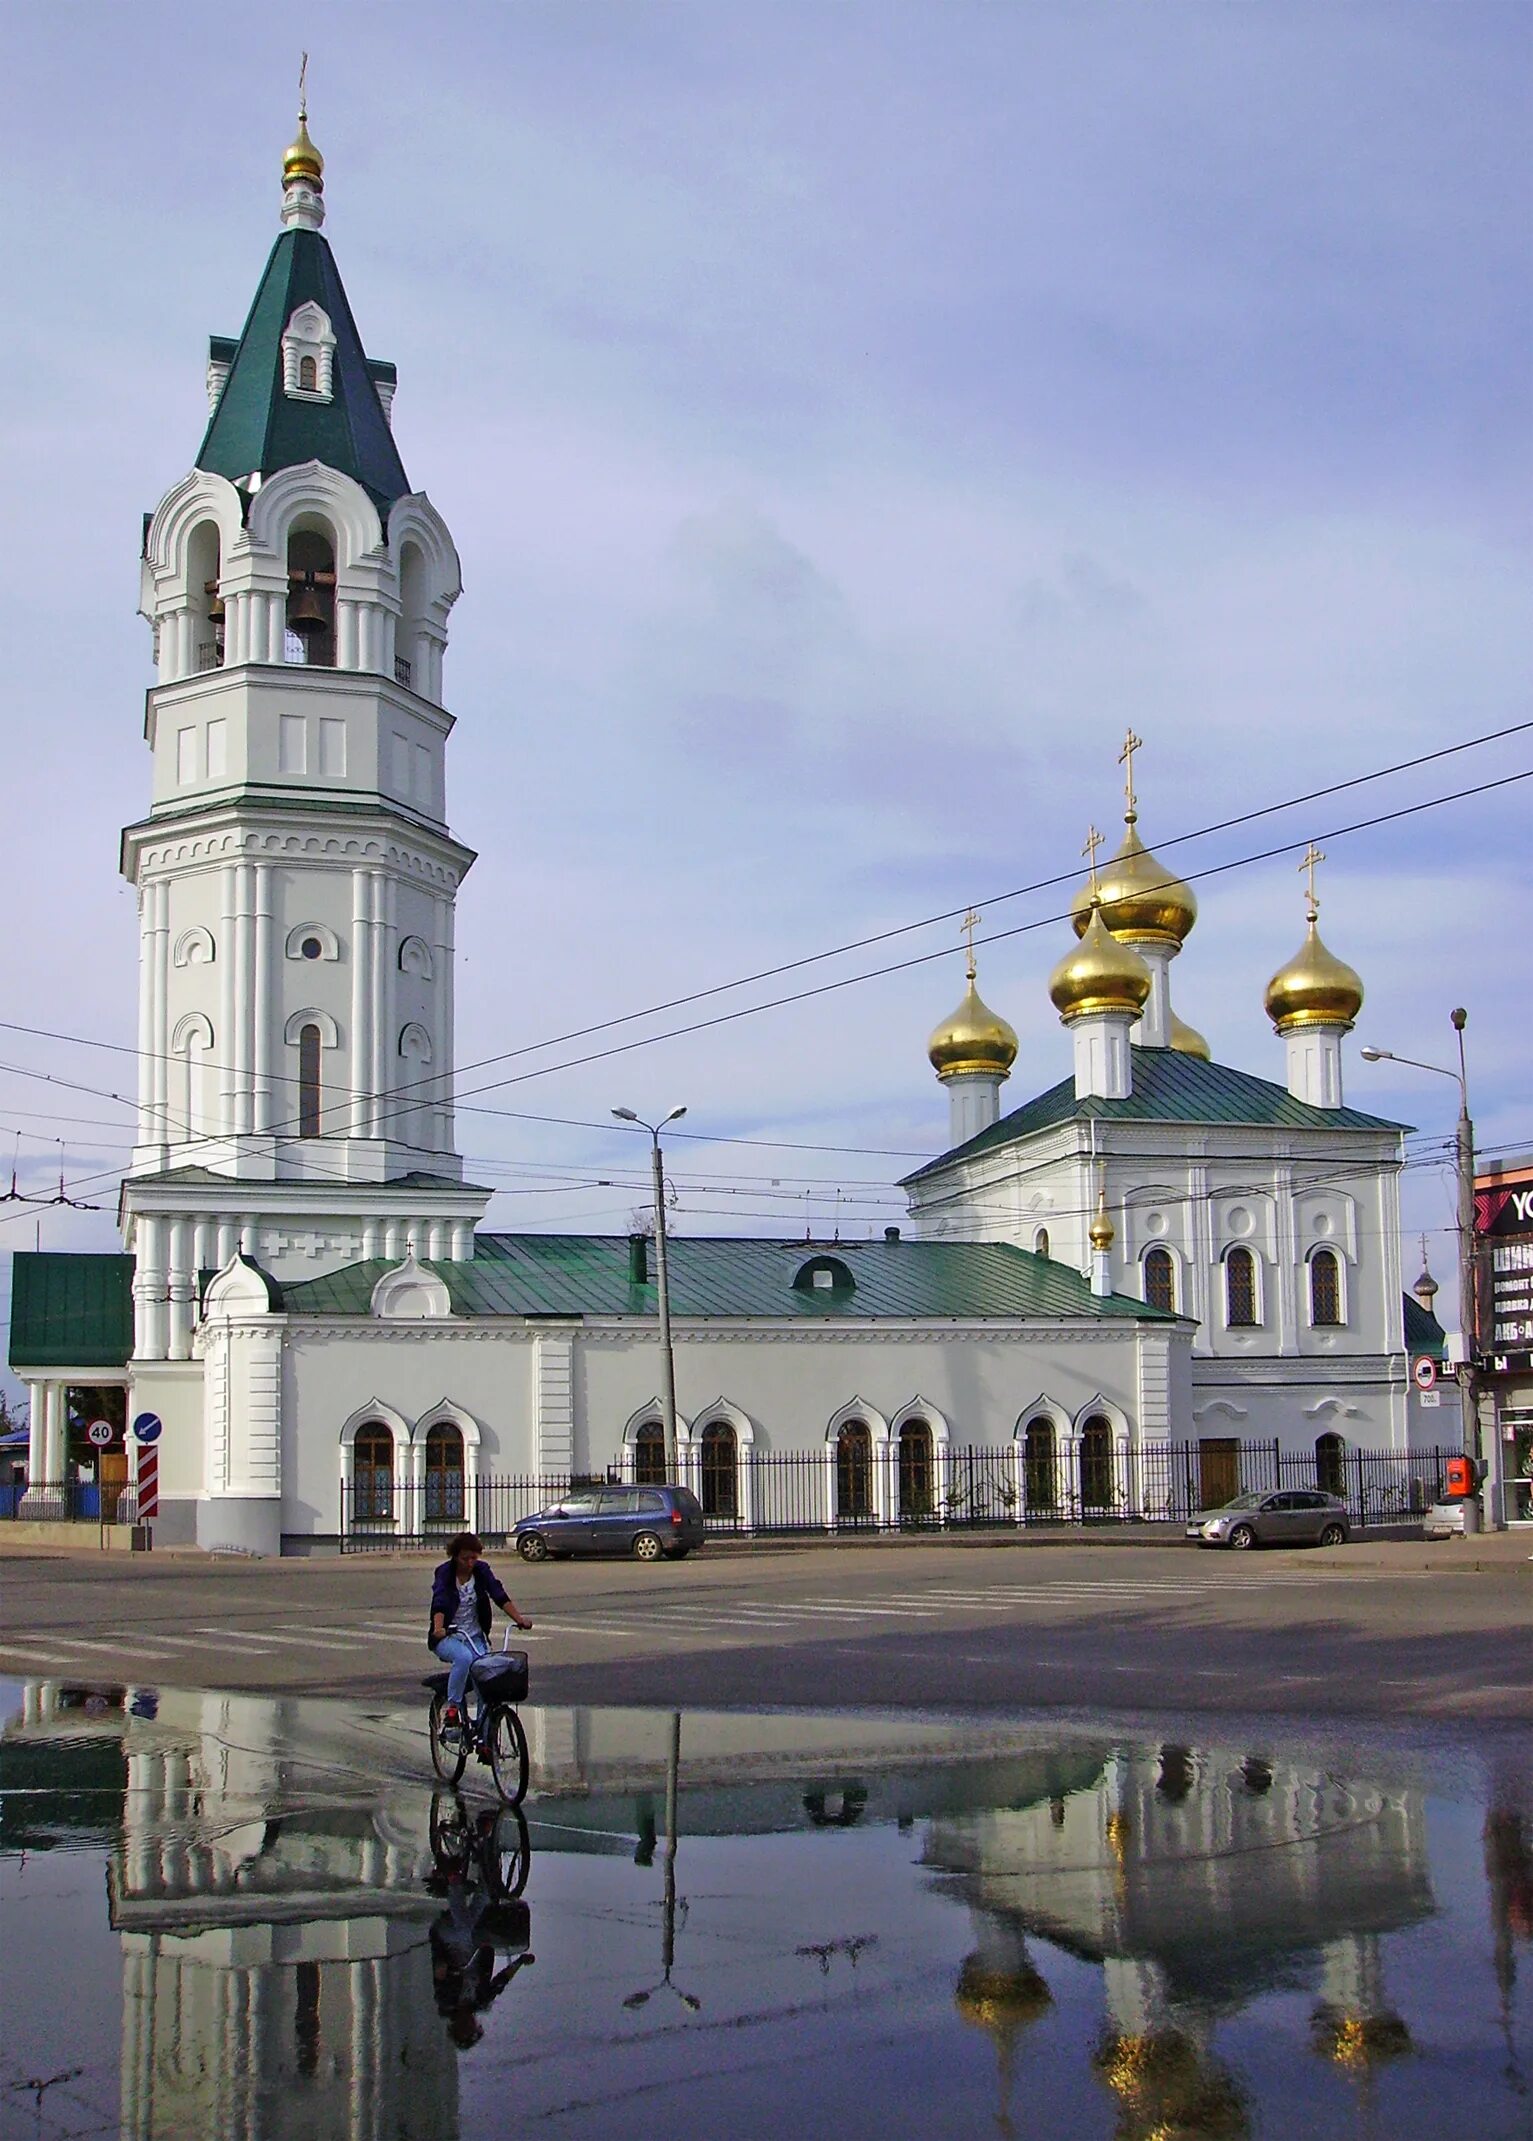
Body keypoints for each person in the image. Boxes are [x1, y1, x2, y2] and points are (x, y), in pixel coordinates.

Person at [429, 1531, 533, 1738]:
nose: (470, 1563)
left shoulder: (482, 1571)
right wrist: (438, 1629)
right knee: (464, 1658)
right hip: (450, 1635)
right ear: (455, 1556)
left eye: (474, 1558)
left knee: (487, 1675)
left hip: (475, 1636)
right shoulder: (445, 1573)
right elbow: (439, 1600)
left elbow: (499, 1595)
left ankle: (487, 1739)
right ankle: (452, 1710)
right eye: (465, 1558)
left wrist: (519, 1619)